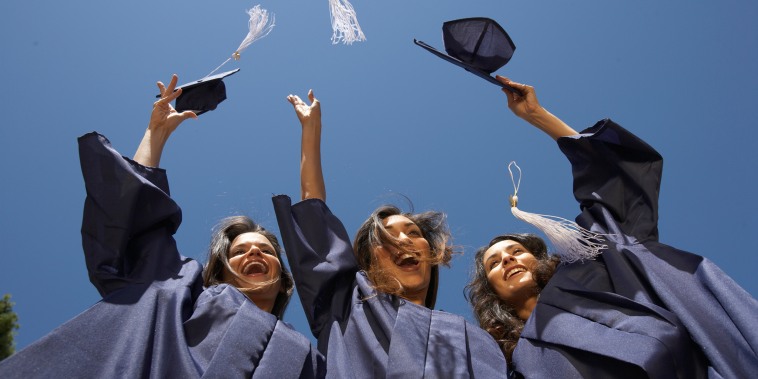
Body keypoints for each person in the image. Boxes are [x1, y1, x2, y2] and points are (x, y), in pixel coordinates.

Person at [0, 75, 323, 378]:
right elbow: (134, 220)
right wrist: (156, 133)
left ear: (284, 280)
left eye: (266, 250)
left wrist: (310, 135)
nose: (254, 250)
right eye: (240, 250)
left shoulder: (305, 356)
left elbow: (322, 247)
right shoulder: (177, 292)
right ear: (218, 272)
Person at [466, 76, 758, 378]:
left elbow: (613, 185)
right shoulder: (517, 364)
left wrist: (536, 115)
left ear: (537, 259)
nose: (508, 259)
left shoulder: (595, 267)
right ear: (491, 291)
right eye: (494, 263)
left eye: (516, 251)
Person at [272, 90, 508, 377]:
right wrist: (311, 129)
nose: (403, 240)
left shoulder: (473, 339)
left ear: (432, 255)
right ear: (367, 263)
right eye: (386, 238)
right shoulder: (345, 304)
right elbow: (314, 212)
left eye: (412, 232)